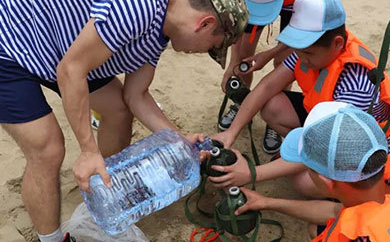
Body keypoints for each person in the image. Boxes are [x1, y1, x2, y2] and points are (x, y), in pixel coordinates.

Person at [0, 0, 248, 241]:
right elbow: (71, 71)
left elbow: (135, 95)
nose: (200, 53)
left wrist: (180, 140)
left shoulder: (162, 29)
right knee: (48, 148)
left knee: (118, 111)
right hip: (12, 44)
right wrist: (88, 151)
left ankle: (99, 199)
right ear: (205, 24)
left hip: (64, 48)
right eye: (210, 47)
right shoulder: (136, 8)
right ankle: (53, 239)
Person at [209, 0, 390, 197]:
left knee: (304, 182)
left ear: (337, 43)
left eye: (308, 53)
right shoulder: (309, 49)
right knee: (272, 106)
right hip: (324, 119)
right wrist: (232, 132)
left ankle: (341, 195)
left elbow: (326, 144)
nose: (301, 58)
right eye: (299, 50)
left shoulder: (356, 87)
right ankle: (294, 158)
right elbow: (268, 86)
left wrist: (251, 174)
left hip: (355, 147)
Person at [235, 101, 390, 242]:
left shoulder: (346, 237)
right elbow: (337, 211)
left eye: (308, 167)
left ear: (325, 182)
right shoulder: (374, 195)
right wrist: (265, 202)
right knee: (315, 228)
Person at [218, 0, 295, 154]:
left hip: (294, 5)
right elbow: (238, 23)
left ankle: (276, 118)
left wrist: (269, 54)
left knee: (284, 62)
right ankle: (243, 101)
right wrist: (234, 63)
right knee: (245, 55)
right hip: (256, 3)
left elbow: (299, 36)